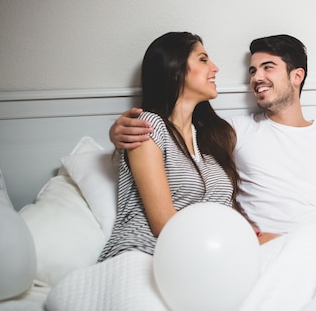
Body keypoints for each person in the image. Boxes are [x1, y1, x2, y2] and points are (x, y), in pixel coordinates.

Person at [110, 34, 316, 258]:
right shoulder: (231, 131)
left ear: (296, 76)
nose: (257, 77)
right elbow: (166, 138)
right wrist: (116, 132)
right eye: (253, 71)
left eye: (268, 68)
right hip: (258, 247)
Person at [98, 32, 239, 262]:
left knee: (296, 243)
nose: (215, 68)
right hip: (145, 253)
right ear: (175, 70)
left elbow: (225, 214)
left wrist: (258, 236)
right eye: (203, 59)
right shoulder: (149, 126)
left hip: (203, 257)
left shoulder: (211, 138)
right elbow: (163, 224)